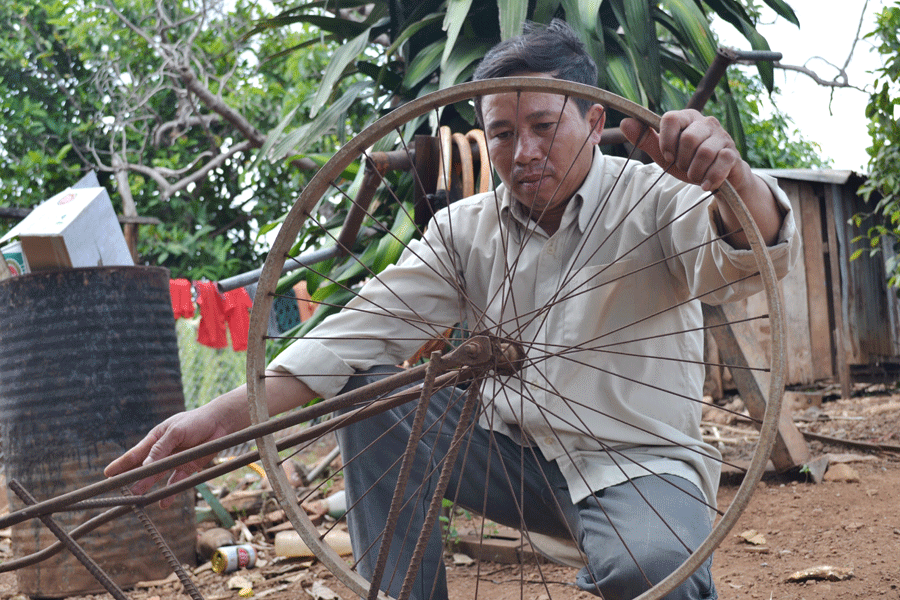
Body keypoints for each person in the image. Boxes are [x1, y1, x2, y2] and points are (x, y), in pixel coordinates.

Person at [107, 19, 799, 600]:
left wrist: (731, 176)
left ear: (594, 121)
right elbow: (358, 332)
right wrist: (215, 421)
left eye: (543, 126)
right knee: (365, 389)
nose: (523, 153)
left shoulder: (657, 199)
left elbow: (754, 249)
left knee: (656, 572)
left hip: (636, 463)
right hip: (506, 458)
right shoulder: (465, 230)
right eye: (502, 134)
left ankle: (637, 551)